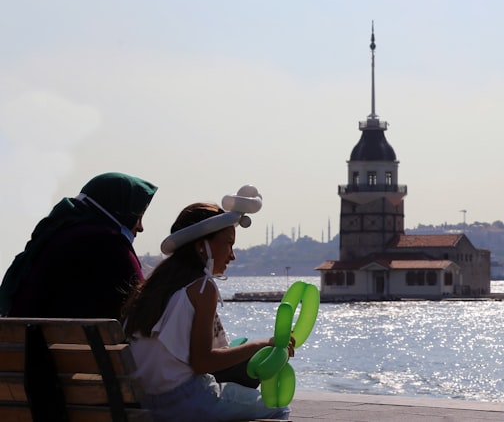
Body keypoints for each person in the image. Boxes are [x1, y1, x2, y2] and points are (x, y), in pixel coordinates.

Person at [122, 187, 292, 422]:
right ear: (202, 245)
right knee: (278, 407)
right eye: (229, 244)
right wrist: (263, 344)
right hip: (187, 401)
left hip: (147, 402)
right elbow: (202, 362)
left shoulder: (155, 285)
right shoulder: (202, 288)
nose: (232, 255)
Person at [0, 172, 157, 318]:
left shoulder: (55, 235)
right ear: (119, 209)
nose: (140, 227)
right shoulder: (109, 243)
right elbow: (141, 312)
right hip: (85, 347)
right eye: (138, 217)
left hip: (34, 344)